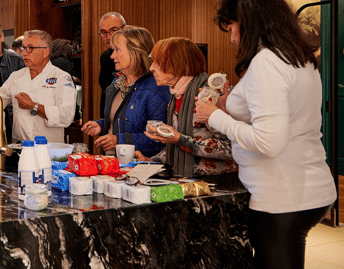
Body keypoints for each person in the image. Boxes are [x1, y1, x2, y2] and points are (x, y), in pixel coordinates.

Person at [195, 0, 337, 269]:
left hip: (282, 195)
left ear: (251, 22)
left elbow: (269, 141)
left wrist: (217, 117)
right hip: (309, 186)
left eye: (233, 28)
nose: (232, 38)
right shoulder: (298, 58)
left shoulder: (266, 63)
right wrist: (232, 103)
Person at [140, 37, 238, 180]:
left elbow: (232, 148)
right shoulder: (176, 96)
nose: (151, 68)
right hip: (189, 182)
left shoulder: (208, 97)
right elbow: (177, 145)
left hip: (221, 184)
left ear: (177, 65)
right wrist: (152, 161)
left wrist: (181, 139)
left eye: (158, 62)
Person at [81, 26, 169, 157]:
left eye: (117, 49)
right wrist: (101, 125)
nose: (112, 55)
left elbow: (160, 138)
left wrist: (119, 140)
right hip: (112, 163)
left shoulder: (156, 87)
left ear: (134, 52)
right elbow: (124, 120)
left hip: (139, 167)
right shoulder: (117, 83)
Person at [0, 29, 77, 143]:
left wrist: (33, 106)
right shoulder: (16, 76)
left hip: (48, 149)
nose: (24, 53)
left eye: (30, 48)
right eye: (23, 48)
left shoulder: (61, 77)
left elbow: (66, 116)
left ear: (45, 52)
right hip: (19, 147)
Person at [97, 12, 126, 114]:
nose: (109, 37)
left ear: (124, 29)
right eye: (104, 32)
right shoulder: (105, 56)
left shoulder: (133, 58)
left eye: (113, 31)